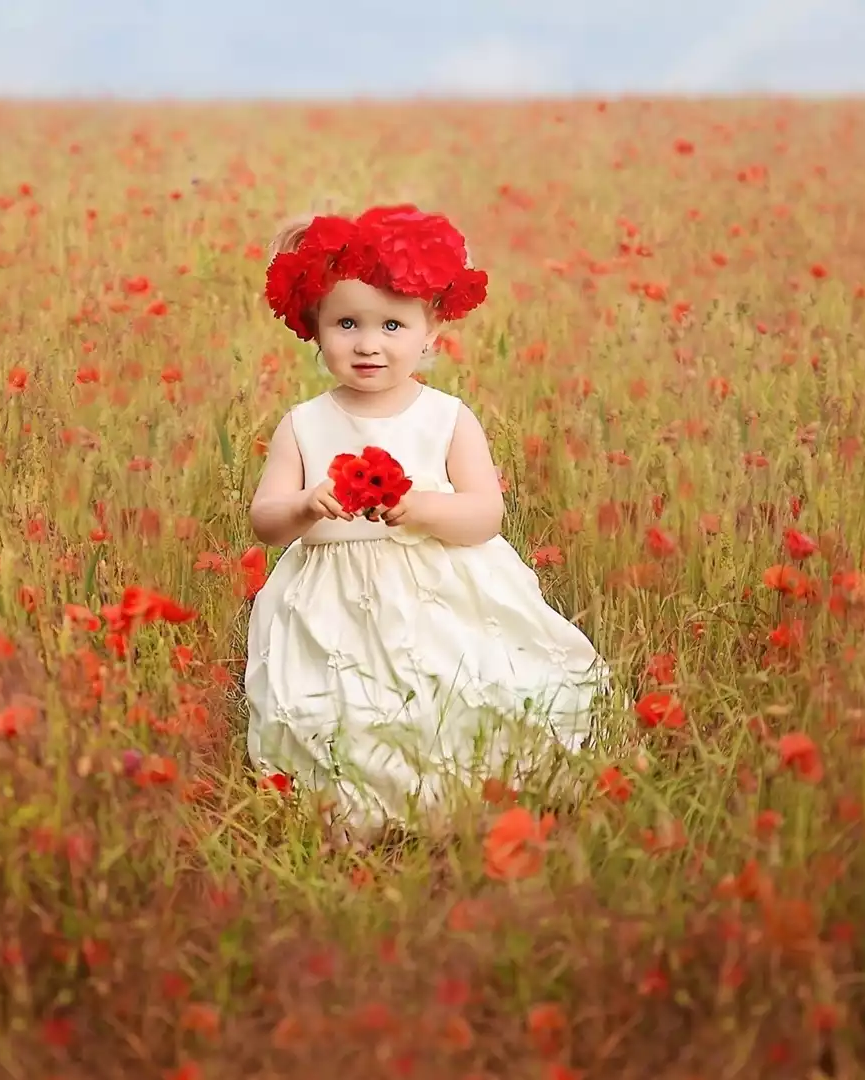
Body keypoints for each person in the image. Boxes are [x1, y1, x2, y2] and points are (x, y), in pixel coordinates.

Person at [244, 204, 608, 846]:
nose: (368, 343)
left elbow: (484, 515)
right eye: (346, 323)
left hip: (440, 584)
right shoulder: (303, 424)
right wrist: (306, 504)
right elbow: (266, 522)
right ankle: (357, 812)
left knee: (470, 688)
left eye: (392, 324)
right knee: (346, 708)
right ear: (315, 329)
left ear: (429, 331)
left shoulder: (446, 417)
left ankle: (468, 799)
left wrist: (418, 507)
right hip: (335, 602)